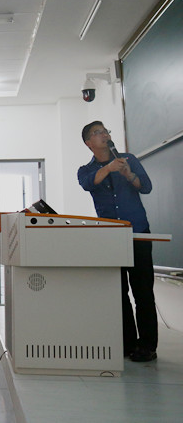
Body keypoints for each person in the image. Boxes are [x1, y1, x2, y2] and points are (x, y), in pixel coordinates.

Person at [78, 121, 157, 362]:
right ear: (88, 143)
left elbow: (146, 187)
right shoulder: (85, 170)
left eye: (105, 131)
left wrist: (129, 175)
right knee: (118, 292)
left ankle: (147, 346)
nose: (104, 135)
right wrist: (109, 168)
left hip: (138, 232)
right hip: (110, 237)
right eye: (98, 133)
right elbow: (88, 183)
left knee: (143, 291)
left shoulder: (128, 159)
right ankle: (127, 344)